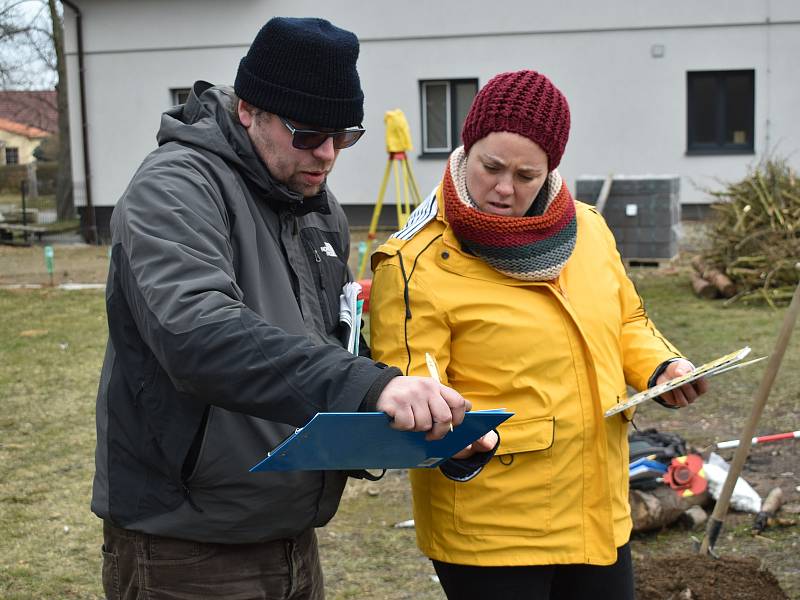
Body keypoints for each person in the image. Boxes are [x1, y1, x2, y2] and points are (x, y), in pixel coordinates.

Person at [91, 17, 473, 600]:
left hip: (292, 537)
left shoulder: (316, 206)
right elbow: (199, 338)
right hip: (184, 547)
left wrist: (429, 428)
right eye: (307, 134)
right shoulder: (173, 188)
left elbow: (332, 348)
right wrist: (368, 387)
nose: (327, 155)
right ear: (249, 110)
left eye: (344, 136)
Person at [369, 70, 708, 600]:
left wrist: (661, 367)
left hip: (597, 510)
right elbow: (409, 388)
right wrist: (452, 439)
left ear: (551, 170)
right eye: (491, 167)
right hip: (491, 530)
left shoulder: (589, 229)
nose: (505, 189)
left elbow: (626, 322)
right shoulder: (415, 261)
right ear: (467, 147)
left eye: (527, 174)